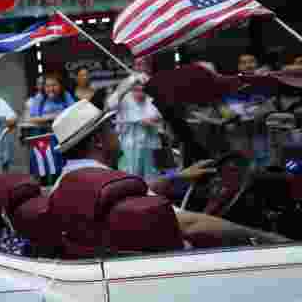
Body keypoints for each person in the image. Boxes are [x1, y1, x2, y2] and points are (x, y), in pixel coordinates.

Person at [51, 99, 289, 247]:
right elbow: (191, 225)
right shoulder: (113, 183)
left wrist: (179, 178)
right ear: (98, 141)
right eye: (112, 128)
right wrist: (268, 239)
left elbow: (132, 191)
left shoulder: (65, 183)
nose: (118, 134)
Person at [107, 74, 163, 178]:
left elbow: (159, 115)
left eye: (143, 90)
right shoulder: (124, 99)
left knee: (151, 176)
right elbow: (110, 105)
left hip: (149, 145)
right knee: (129, 176)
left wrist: (152, 120)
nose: (140, 93)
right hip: (128, 145)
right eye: (136, 89)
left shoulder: (151, 100)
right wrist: (126, 85)